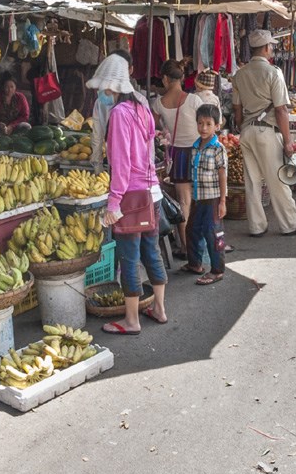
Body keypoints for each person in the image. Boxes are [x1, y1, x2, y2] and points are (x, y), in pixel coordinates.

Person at [92, 54, 168, 335]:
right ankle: (159, 308)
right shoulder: (141, 106)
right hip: (152, 191)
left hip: (131, 195)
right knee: (152, 250)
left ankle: (132, 320)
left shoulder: (120, 114)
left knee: (129, 257)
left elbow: (121, 164)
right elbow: (148, 146)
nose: (101, 93)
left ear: (110, 86)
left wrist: (114, 203)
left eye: (103, 87)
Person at [231, 29, 296, 237]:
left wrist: (243, 127)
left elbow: (237, 110)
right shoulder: (273, 72)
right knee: (279, 179)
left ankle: (256, 226)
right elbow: (280, 109)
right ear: (267, 47)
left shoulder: (239, 74)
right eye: (271, 47)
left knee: (252, 182)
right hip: (266, 132)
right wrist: (287, 141)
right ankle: (290, 224)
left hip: (247, 132)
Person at [154, 60, 209, 266]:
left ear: (165, 79)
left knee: (183, 203)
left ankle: (186, 247)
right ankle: (204, 244)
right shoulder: (194, 100)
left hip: (178, 155)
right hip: (198, 152)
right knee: (203, 201)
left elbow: (153, 128)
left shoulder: (158, 103)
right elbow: (207, 124)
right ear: (181, 77)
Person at [186, 104, 229, 285]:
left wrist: (222, 201)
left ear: (217, 126)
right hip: (198, 198)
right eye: (200, 123)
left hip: (212, 199)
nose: (203, 128)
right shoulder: (195, 147)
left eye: (208, 124)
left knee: (213, 233)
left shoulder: (218, 148)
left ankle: (217, 270)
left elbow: (222, 174)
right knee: (192, 229)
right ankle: (195, 264)